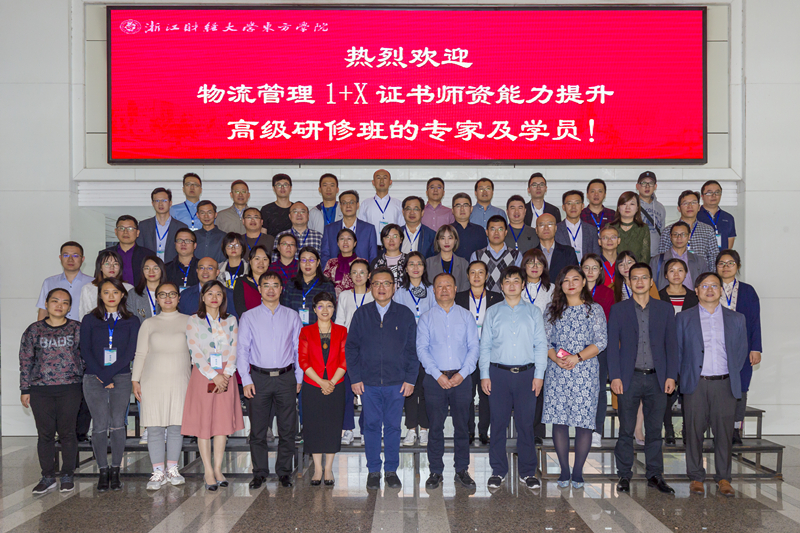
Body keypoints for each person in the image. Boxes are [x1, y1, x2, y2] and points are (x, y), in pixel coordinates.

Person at [345, 267, 418, 490]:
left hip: (397, 383)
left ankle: (392, 470)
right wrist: (355, 378)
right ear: (371, 287)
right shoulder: (361, 314)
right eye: (376, 283)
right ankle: (374, 470)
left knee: (394, 427)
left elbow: (412, 350)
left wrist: (410, 379)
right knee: (371, 426)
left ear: (394, 287)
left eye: (386, 283)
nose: (381, 288)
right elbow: (351, 348)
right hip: (368, 383)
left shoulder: (405, 314)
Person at [608, 263, 678, 494]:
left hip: (657, 379)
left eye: (644, 278)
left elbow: (672, 345)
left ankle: (655, 475)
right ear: (628, 282)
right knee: (626, 430)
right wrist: (614, 376)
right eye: (634, 278)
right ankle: (624, 474)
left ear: (651, 281)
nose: (639, 282)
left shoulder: (665, 309)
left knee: (654, 430)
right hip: (629, 378)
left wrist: (671, 376)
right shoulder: (619, 310)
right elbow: (612, 347)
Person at [676, 272, 748, 497]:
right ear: (697, 291)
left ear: (721, 290)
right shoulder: (683, 318)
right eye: (704, 286)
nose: (709, 290)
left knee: (724, 434)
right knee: (694, 432)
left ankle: (724, 478)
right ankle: (696, 477)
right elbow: (678, 352)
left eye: (714, 286)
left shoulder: (737, 319)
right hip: (696, 384)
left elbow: (740, 352)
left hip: (724, 384)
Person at [479, 266, 548, 490]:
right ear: (501, 286)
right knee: (497, 423)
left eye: (516, 281)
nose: (511, 285)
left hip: (527, 375)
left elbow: (541, 345)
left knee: (526, 425)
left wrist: (539, 375)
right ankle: (498, 470)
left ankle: (527, 472)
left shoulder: (533, 312)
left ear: (523, 285)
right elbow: (485, 345)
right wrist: (484, 374)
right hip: (498, 374)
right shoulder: (493, 312)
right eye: (507, 281)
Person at [542, 266, 608, 489]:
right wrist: (556, 359)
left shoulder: (594, 310)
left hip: (585, 371)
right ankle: (564, 470)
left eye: (575, 279)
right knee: (559, 421)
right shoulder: (552, 310)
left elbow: (601, 341)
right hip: (558, 371)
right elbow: (545, 341)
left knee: (584, 423)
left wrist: (577, 357)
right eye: (566, 280)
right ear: (560, 285)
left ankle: (578, 472)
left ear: (583, 282)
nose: (571, 284)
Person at [238, 271, 302, 489]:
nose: (271, 289)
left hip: (286, 377)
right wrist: (246, 379)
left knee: (287, 428)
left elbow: (298, 348)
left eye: (275, 285)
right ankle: (259, 473)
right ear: (259, 289)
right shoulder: (249, 316)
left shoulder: (292, 316)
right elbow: (242, 350)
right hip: (258, 378)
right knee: (257, 430)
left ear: (281, 289)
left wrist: (299, 376)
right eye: (266, 285)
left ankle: (284, 472)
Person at [417, 273, 480, 489]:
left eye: (448, 286)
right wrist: (438, 375)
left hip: (462, 378)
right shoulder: (426, 318)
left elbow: (474, 348)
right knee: (435, 427)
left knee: (462, 427)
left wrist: (462, 373)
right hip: (435, 379)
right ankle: (435, 471)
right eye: (439, 286)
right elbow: (422, 349)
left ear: (455, 289)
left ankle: (462, 470)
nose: (444, 290)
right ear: (434, 291)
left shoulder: (466, 316)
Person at [181, 281, 244, 490]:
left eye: (218, 294)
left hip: (226, 375)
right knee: (204, 423)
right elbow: (195, 351)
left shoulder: (231, 320)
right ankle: (207, 470)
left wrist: (226, 374)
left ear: (223, 298)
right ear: (203, 297)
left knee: (221, 424)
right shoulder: (193, 320)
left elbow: (234, 348)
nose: (214, 297)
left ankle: (218, 468)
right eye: (210, 293)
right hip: (203, 374)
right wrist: (213, 375)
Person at [19, 288, 83, 494]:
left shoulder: (77, 329)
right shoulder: (34, 330)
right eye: (55, 301)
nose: (59, 305)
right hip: (40, 389)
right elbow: (25, 360)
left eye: (65, 302)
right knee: (45, 434)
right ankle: (47, 476)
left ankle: (67, 475)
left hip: (70, 388)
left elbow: (86, 356)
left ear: (69, 307)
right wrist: (25, 388)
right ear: (46, 304)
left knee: (67, 433)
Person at [80, 277, 140, 492]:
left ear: (122, 294)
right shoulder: (90, 319)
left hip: (121, 376)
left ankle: (115, 470)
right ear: (100, 295)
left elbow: (130, 352)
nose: (111, 296)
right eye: (106, 292)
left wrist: (109, 375)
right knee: (99, 424)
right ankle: (102, 470)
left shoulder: (132, 320)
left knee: (117, 423)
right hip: (93, 377)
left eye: (115, 292)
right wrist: (102, 375)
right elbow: (85, 349)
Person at [131, 282, 191, 490]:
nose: (167, 298)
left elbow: (197, 353)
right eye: (163, 294)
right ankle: (157, 471)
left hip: (180, 380)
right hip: (152, 381)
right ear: (157, 299)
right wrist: (135, 380)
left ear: (178, 298)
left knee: (176, 426)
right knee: (154, 427)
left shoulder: (189, 321)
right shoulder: (149, 323)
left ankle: (173, 469)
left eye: (172, 294)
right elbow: (140, 354)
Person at [299, 292, 348, 486]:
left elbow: (344, 360)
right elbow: (303, 361)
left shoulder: (342, 331)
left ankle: (328, 468)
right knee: (314, 426)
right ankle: (317, 468)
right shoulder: (306, 331)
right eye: (320, 306)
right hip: (313, 385)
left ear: (334, 309)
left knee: (332, 426)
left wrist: (331, 382)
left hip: (336, 384)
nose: (325, 310)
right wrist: (321, 382)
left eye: (329, 305)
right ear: (314, 309)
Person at [455, 261, 504, 445]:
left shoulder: (496, 298)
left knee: (487, 393)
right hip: (465, 353)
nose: (476, 276)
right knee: (466, 393)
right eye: (473, 272)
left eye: (481, 272)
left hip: (489, 352)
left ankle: (484, 431)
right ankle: (468, 430)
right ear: (468, 276)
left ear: (487, 276)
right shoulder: (458, 298)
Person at [716, 250, 762, 445]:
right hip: (716, 347)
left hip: (742, 347)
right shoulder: (710, 287)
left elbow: (755, 321)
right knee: (717, 388)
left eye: (730, 263)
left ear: (738, 266)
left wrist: (756, 348)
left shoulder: (748, 291)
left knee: (741, 388)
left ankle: (735, 429)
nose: (726, 267)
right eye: (721, 263)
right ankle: (718, 428)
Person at [394, 251, 434, 446]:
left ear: (424, 268)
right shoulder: (400, 292)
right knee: (408, 389)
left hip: (429, 348)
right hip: (407, 348)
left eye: (419, 264)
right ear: (406, 268)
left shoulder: (432, 290)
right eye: (411, 264)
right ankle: (411, 429)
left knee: (426, 390)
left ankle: (424, 429)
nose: (415, 267)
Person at [657, 257, 699, 445]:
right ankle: (668, 429)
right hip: (665, 352)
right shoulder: (657, 296)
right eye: (671, 270)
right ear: (665, 275)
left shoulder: (694, 297)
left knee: (688, 393)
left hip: (689, 352)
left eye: (680, 270)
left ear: (686, 273)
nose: (676, 274)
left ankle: (687, 428)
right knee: (667, 394)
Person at [335, 259, 373, 445]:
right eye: (354, 272)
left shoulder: (375, 295)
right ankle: (348, 430)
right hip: (348, 350)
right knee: (347, 393)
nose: (358, 276)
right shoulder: (344, 296)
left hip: (370, 350)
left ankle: (366, 430)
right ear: (349, 276)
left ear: (369, 275)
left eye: (362, 272)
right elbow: (340, 324)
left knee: (368, 392)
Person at [581, 253, 615, 446]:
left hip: (599, 348)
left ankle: (596, 430)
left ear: (600, 271)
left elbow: (608, 322)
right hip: (576, 349)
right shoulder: (574, 289)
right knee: (580, 389)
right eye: (586, 267)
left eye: (594, 268)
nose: (590, 271)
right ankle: (581, 429)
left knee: (599, 389)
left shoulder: (607, 293)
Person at [658, 190, 718, 271]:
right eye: (685, 203)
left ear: (699, 207)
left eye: (693, 203)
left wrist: (710, 277)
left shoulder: (708, 230)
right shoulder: (668, 231)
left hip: (701, 275)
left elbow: (713, 258)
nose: (690, 206)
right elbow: (662, 260)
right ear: (679, 208)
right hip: (676, 275)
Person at [37, 241, 93, 321]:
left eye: (75, 255)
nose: (70, 259)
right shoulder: (49, 282)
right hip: (55, 328)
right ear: (60, 258)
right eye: (66, 255)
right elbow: (43, 311)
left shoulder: (93, 283)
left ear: (82, 259)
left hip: (85, 328)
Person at [281, 246, 336, 326]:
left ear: (318, 262)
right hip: (294, 330)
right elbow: (285, 312)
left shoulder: (327, 285)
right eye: (303, 260)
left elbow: (331, 314)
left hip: (318, 331)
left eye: (311, 260)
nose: (307, 264)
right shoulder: (291, 285)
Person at [321, 190, 378, 265]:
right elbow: (325, 256)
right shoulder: (329, 229)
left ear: (357, 205)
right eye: (344, 203)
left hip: (361, 271)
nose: (348, 206)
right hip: (336, 271)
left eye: (351, 202)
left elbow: (373, 257)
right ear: (340, 206)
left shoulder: (369, 229)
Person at [650, 221, 708, 290]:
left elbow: (705, 285)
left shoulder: (699, 261)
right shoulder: (657, 261)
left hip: (692, 296)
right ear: (670, 236)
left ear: (689, 236)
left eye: (683, 234)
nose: (679, 238)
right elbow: (651, 286)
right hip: (664, 297)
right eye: (675, 234)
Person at [470, 215, 522, 293]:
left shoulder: (516, 255)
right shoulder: (477, 255)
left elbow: (519, 281)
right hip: (484, 299)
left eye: (500, 229)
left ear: (505, 232)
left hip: (508, 299)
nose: (496, 233)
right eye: (493, 229)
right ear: (487, 232)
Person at [137, 187, 188, 262]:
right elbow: (139, 251)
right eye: (157, 201)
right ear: (152, 203)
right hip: (150, 267)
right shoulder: (143, 226)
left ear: (170, 203)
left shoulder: (181, 227)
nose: (160, 204)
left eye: (164, 200)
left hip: (173, 266)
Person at [102, 216, 156, 286]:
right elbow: (98, 279)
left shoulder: (148, 255)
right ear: (116, 231)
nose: (125, 232)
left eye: (130, 229)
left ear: (137, 233)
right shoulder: (104, 254)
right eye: (121, 228)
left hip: (139, 292)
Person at [80, 250, 133, 319]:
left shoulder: (129, 288)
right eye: (107, 264)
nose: (112, 267)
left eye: (115, 264)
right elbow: (84, 314)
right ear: (100, 267)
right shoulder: (88, 288)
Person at [359, 169, 405, 246]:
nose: (381, 181)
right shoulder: (366, 203)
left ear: (390, 182)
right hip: (372, 247)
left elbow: (401, 228)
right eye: (378, 178)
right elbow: (362, 229)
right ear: (373, 182)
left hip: (393, 247)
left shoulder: (398, 204)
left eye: (385, 178)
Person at [555, 190, 601, 261]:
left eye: (577, 203)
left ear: (582, 206)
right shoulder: (556, 229)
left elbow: (596, 256)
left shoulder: (591, 230)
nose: (573, 207)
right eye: (569, 203)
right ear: (563, 207)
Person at [535, 213, 578, 281]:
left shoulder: (568, 253)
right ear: (536, 230)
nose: (546, 228)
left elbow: (574, 277)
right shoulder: (529, 255)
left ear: (555, 228)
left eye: (550, 224)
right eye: (542, 225)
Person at [610, 191, 651, 264]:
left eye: (632, 204)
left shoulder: (643, 228)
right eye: (624, 204)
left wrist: (636, 269)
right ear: (618, 207)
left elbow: (645, 256)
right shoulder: (610, 227)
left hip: (637, 269)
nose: (627, 207)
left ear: (637, 208)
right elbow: (606, 254)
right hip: (613, 269)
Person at [426, 224, 469, 292]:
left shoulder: (463, 263)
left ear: (455, 240)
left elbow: (465, 288)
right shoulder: (428, 263)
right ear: (437, 241)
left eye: (450, 238)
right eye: (442, 238)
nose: (446, 242)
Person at [233, 245, 272, 316]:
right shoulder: (241, 282)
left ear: (269, 263)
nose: (261, 262)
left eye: (265, 259)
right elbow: (240, 309)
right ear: (250, 261)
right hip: (248, 321)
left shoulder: (274, 283)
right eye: (257, 259)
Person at [322, 228, 362, 297]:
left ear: (355, 243)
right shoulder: (331, 263)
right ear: (338, 243)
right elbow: (324, 285)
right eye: (342, 239)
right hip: (334, 300)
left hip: (356, 300)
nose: (345, 242)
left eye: (349, 239)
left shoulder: (361, 263)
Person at [127, 256, 167, 322]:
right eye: (147, 268)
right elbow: (130, 320)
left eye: (155, 268)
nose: (151, 272)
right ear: (143, 271)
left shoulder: (169, 292)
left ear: (162, 270)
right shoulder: (133, 294)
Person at [699, 180, 736, 250]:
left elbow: (729, 247)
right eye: (709, 193)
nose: (714, 195)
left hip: (721, 256)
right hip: (701, 256)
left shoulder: (728, 218)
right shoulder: (695, 216)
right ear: (702, 196)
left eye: (717, 192)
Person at [636, 171, 666, 258]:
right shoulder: (632, 205)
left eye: (651, 183)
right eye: (643, 183)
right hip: (637, 255)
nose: (647, 186)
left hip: (656, 256)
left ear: (655, 186)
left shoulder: (660, 208)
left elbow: (662, 232)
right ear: (637, 186)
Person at [451, 192, 488, 260]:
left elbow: (484, 256)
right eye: (458, 206)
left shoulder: (479, 230)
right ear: (452, 210)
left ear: (471, 209)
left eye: (465, 205)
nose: (462, 209)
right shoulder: (447, 231)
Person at [369, 224, 408, 288]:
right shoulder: (376, 262)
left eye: (395, 236)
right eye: (387, 237)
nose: (391, 240)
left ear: (401, 239)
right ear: (382, 241)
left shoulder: (408, 260)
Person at [521, 248, 554, 316]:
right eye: (531, 263)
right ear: (524, 265)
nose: (535, 267)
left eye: (539, 263)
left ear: (544, 267)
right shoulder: (517, 287)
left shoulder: (552, 288)